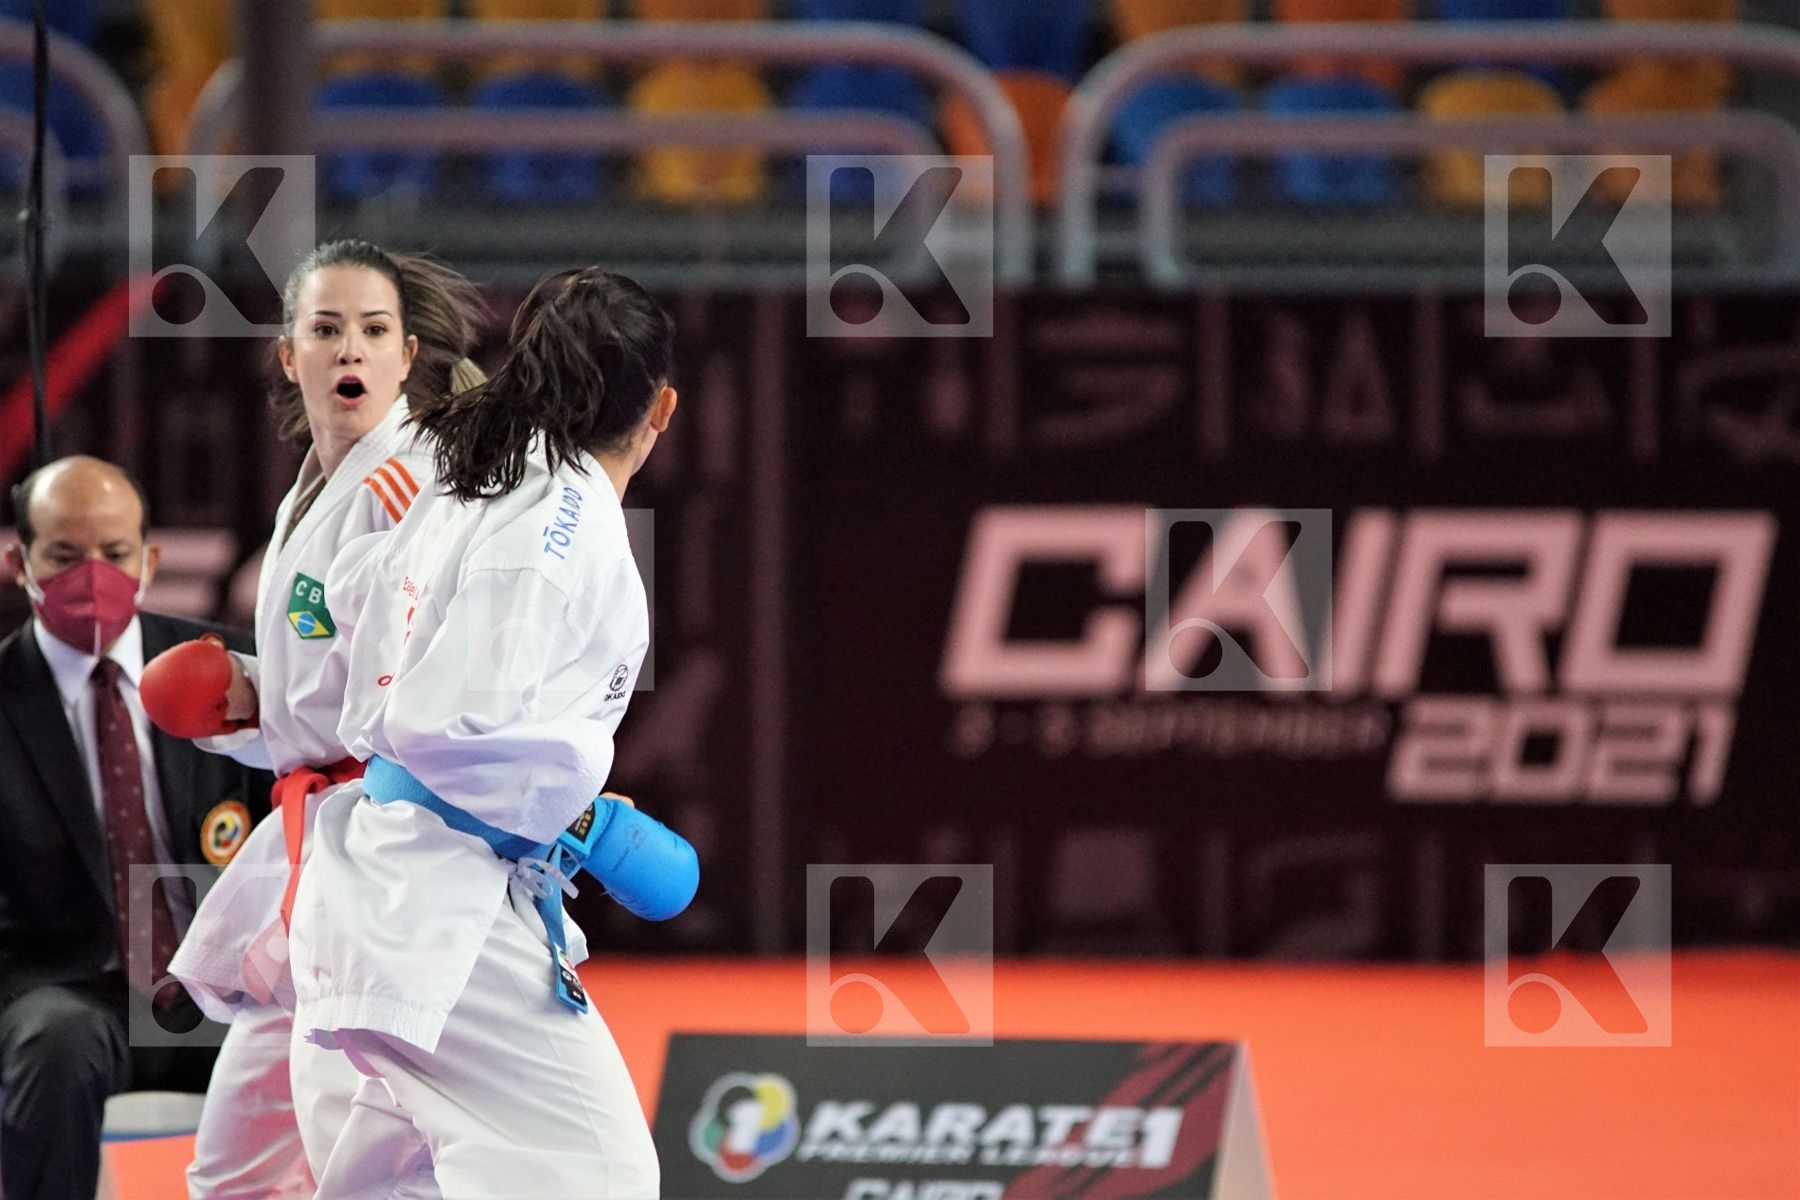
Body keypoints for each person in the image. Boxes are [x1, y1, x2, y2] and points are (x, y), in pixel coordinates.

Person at [289, 268, 696, 1199]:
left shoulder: (480, 474)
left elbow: (349, 599)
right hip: (436, 902)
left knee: (403, 1184)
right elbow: (447, 720)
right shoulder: (560, 517)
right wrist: (574, 812)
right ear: (662, 408)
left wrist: (548, 794)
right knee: (599, 1174)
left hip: (397, 881)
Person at [138, 240, 485, 1199]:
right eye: (326, 330)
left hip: (386, 854)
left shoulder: (408, 488)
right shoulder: (314, 488)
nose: (350, 350)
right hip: (314, 842)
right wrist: (245, 697)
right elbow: (323, 683)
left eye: (373, 330)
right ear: (289, 356)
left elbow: (418, 691)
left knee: (373, 1162)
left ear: (407, 355)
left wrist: (275, 715)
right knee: (234, 1171)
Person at [0, 456, 274, 1200]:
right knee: (55, 1044)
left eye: (115, 553)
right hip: (66, 996)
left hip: (221, 983)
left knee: (325, 1035)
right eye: (64, 556)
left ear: (149, 561)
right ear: (19, 562)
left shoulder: (226, 670)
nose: (93, 576)